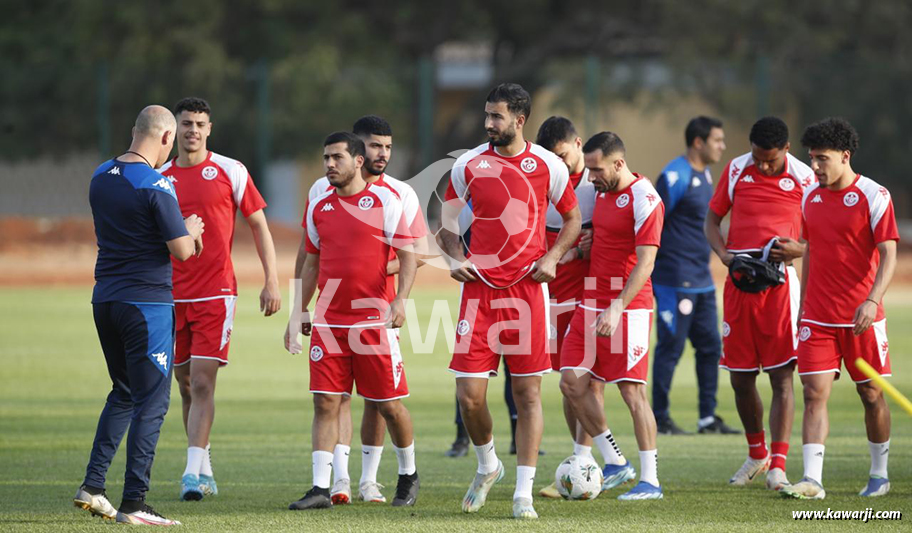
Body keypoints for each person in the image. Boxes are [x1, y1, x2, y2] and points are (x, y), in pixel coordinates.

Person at [437, 83, 581, 519]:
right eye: (487, 115)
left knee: (527, 394)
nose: (488, 124)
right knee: (469, 397)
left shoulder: (548, 166)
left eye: (496, 117)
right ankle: (488, 465)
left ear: (519, 120)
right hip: (479, 292)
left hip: (527, 292)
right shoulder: (469, 164)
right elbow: (444, 219)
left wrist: (554, 257)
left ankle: (523, 494)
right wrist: (453, 256)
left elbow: (572, 218)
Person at [74, 105, 204, 526]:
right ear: (167, 138)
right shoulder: (156, 184)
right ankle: (134, 502)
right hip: (146, 305)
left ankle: (93, 486)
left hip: (105, 300)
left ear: (135, 131)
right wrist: (193, 230)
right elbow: (182, 251)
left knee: (124, 392)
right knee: (152, 402)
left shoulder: (98, 176)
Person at [285, 132, 419, 510]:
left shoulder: (386, 204)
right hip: (329, 323)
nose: (329, 164)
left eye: (337, 158)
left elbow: (408, 256)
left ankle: (408, 475)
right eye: (326, 157)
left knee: (388, 404)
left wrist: (400, 300)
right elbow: (311, 262)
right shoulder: (318, 207)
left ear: (358, 161)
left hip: (373, 323)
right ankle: (320, 488)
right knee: (326, 402)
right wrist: (299, 310)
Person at [159, 96, 281, 501]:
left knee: (202, 381)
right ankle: (204, 465)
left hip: (216, 292)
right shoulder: (159, 177)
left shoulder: (230, 171)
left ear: (210, 129)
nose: (193, 130)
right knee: (184, 385)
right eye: (186, 123)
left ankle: (190, 474)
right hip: (171, 296)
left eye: (199, 124)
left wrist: (272, 281)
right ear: (175, 130)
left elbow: (260, 226)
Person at [782, 118, 898, 500]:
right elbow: (811, 249)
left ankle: (879, 474)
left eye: (822, 159)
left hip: (862, 317)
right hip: (817, 316)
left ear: (845, 156)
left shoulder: (874, 195)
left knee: (871, 395)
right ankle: (812, 479)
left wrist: (872, 300)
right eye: (812, 159)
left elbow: (888, 254)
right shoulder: (809, 196)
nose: (815, 167)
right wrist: (801, 306)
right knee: (814, 393)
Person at [704, 116, 815, 491]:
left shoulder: (804, 176)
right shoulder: (737, 168)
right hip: (738, 284)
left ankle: (778, 466)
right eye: (757, 158)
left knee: (782, 377)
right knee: (739, 377)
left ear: (785, 150)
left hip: (780, 285)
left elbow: (821, 234)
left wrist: (800, 249)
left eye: (769, 159)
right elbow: (712, 218)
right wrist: (722, 253)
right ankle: (756, 453)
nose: (762, 165)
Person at [560, 131, 665, 501]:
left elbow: (647, 262)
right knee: (571, 382)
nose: (591, 177)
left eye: (597, 169)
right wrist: (576, 252)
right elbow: (592, 238)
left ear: (619, 163)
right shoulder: (599, 194)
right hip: (589, 301)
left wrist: (618, 305)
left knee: (632, 392)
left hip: (629, 307)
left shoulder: (645, 198)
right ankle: (615, 461)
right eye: (588, 168)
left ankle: (651, 481)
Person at [652, 116, 738, 435]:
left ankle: (707, 418)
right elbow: (654, 223)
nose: (722, 146)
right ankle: (659, 417)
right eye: (717, 140)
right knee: (670, 347)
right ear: (698, 142)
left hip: (702, 281)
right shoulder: (676, 175)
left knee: (711, 347)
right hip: (674, 281)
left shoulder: (706, 173)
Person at [532, 117, 600, 499]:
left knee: (588, 382)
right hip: (553, 295)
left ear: (578, 143)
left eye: (562, 156)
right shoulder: (545, 183)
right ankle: (579, 461)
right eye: (551, 159)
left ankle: (590, 463)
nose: (558, 164)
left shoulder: (597, 180)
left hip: (592, 295)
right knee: (568, 385)